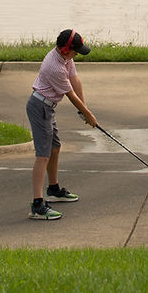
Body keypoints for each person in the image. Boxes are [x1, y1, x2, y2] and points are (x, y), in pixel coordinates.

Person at [26, 28, 96, 220]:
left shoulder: (66, 59)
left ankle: (53, 189)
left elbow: (75, 82)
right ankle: (37, 205)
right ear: (66, 49)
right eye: (75, 51)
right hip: (39, 107)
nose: (77, 55)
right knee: (43, 155)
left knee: (55, 147)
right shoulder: (54, 67)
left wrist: (84, 110)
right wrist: (88, 115)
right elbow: (70, 95)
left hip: (48, 107)